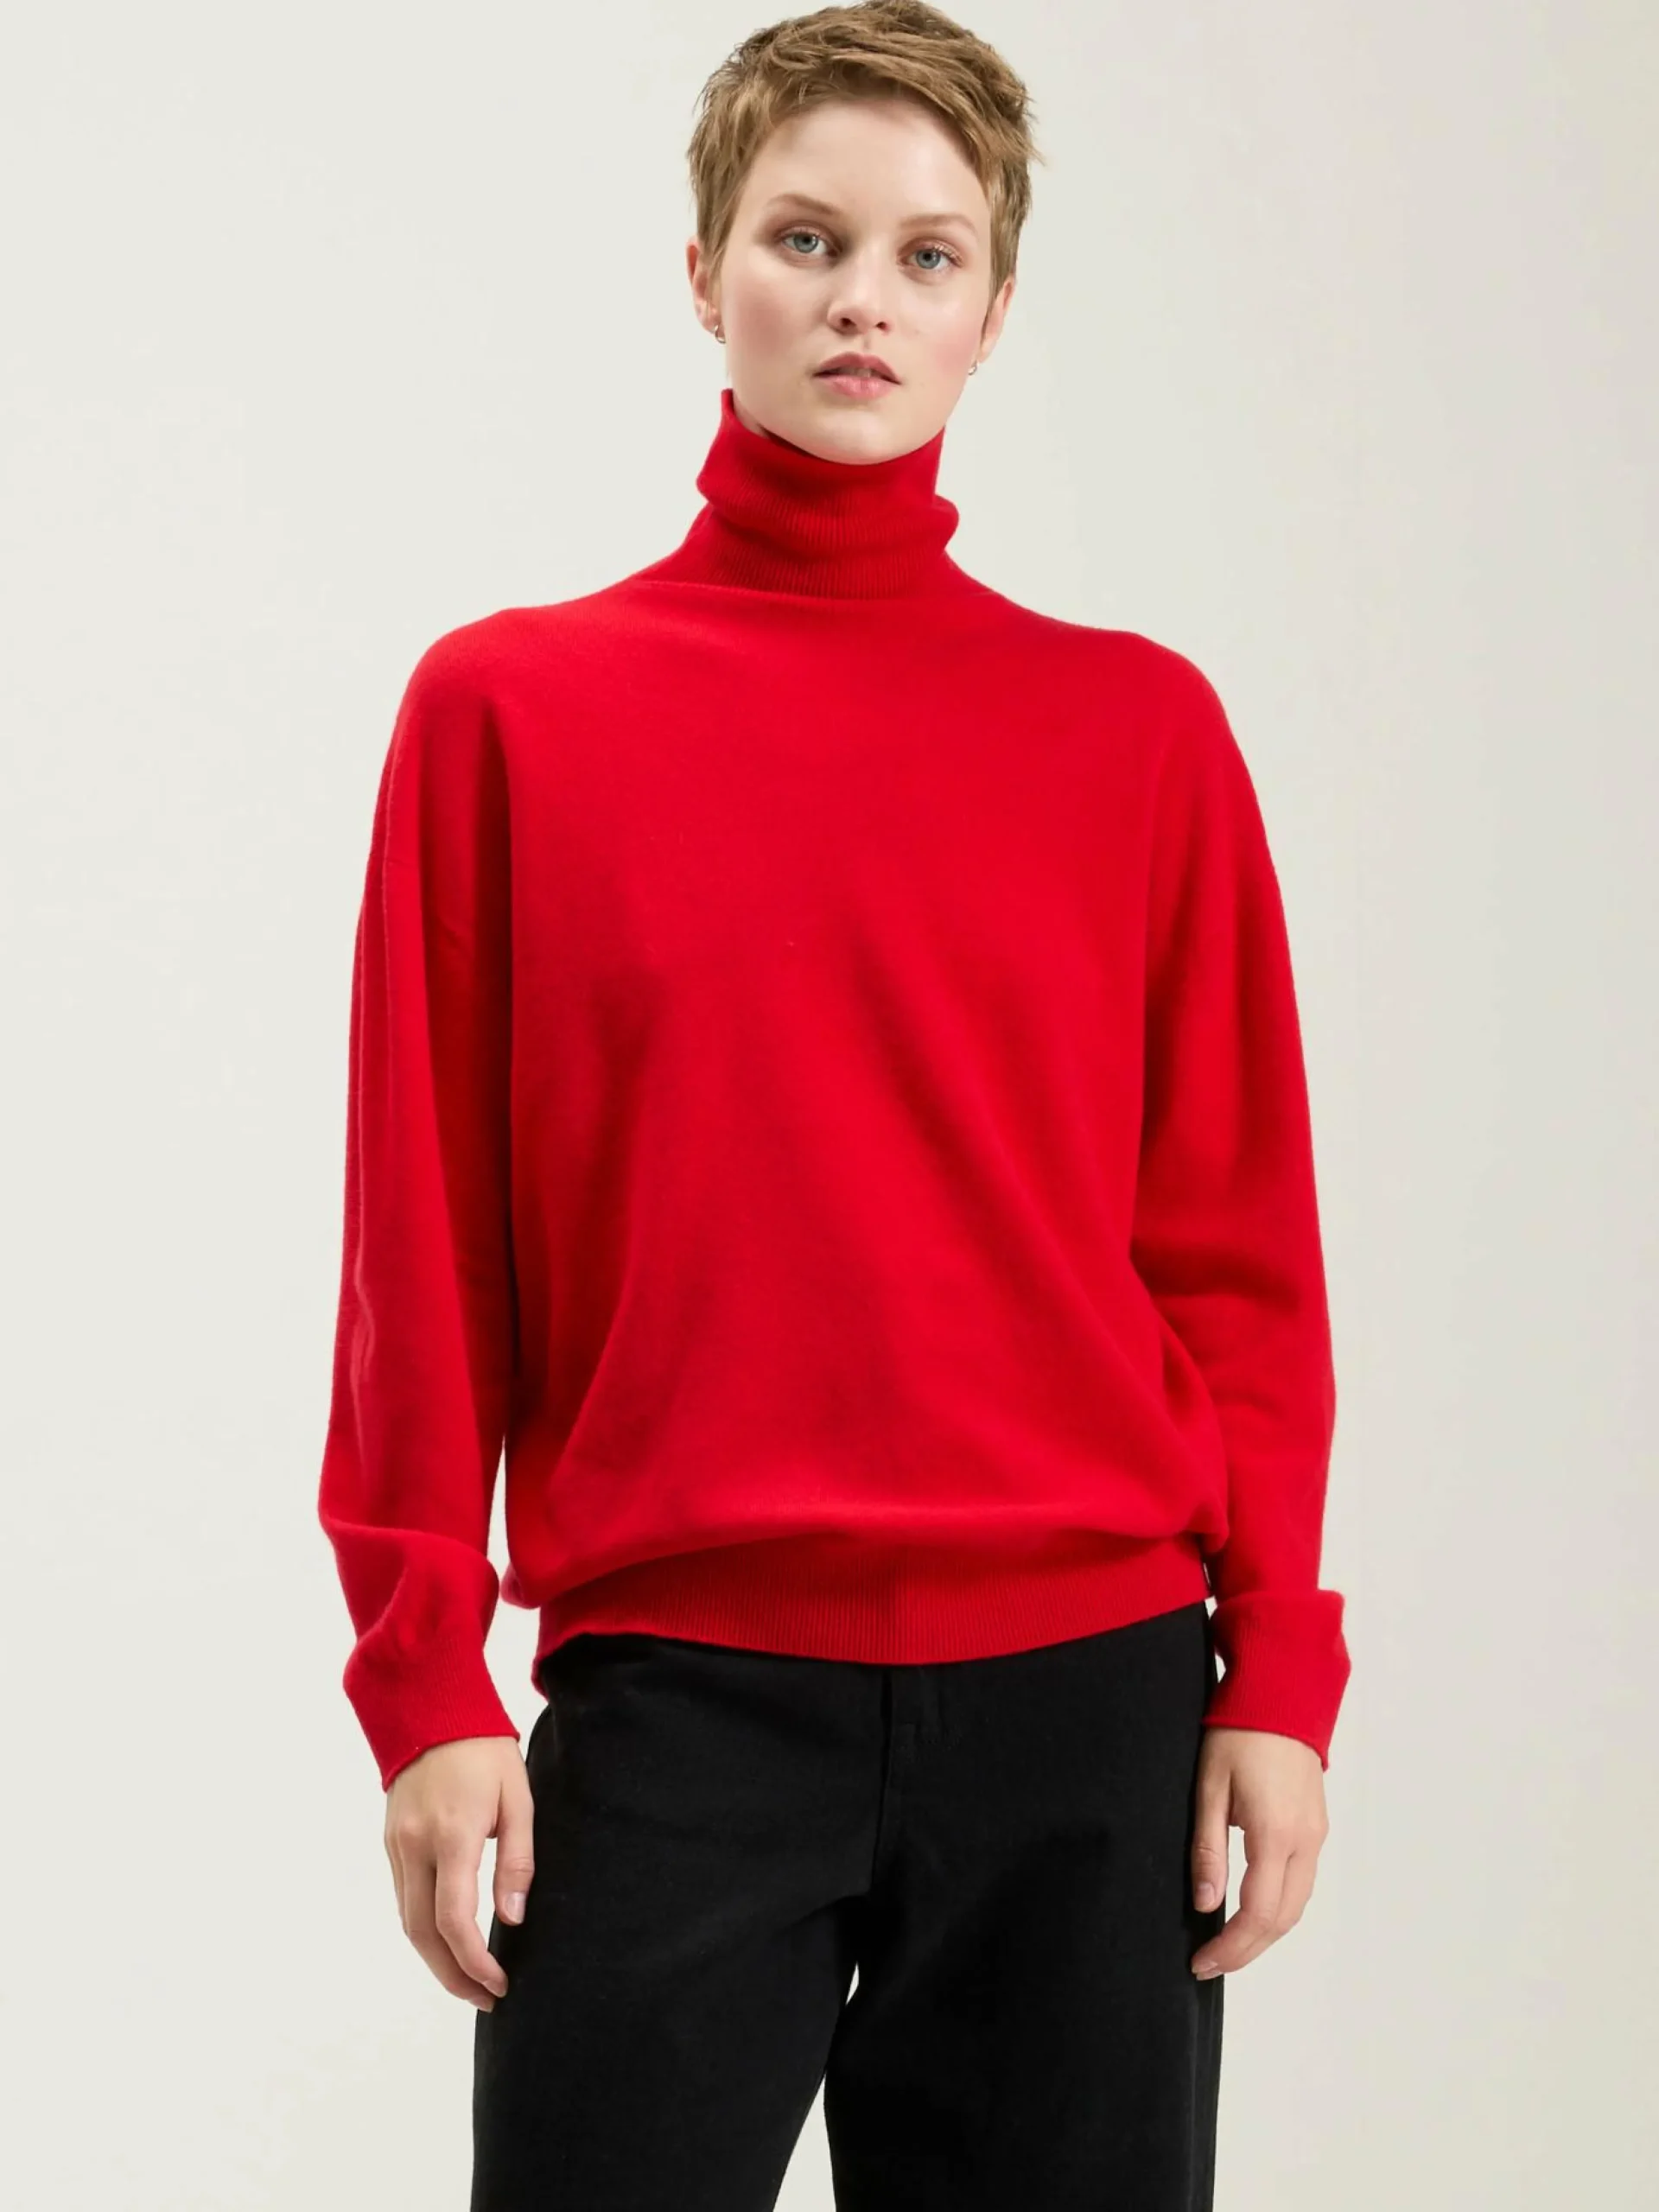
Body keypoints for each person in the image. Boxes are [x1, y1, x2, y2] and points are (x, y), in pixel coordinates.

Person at [315, 4, 1351, 2204]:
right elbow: (425, 1242)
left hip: (1090, 1697)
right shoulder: (510, 714)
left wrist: (1277, 1664)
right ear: (707, 272)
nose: (863, 298)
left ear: (994, 307)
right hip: (676, 1696)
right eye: (806, 238)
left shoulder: (1139, 735)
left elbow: (1236, 1249)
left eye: (925, 254)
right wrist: (425, 1678)